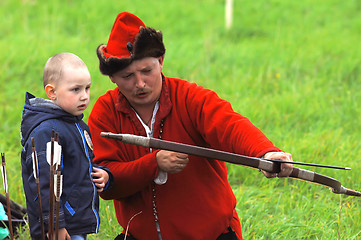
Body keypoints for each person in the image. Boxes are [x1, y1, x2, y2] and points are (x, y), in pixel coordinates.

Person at [89, 12, 293, 240]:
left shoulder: (189, 97)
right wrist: (153, 163)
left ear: (161, 62)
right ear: (112, 78)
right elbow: (106, 182)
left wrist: (265, 152)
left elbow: (229, 124)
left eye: (147, 71)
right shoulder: (105, 111)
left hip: (211, 234)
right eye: (127, 76)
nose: (140, 83)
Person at [20, 52, 112, 239]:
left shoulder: (77, 125)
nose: (84, 96)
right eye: (76, 90)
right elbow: (44, 183)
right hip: (60, 227)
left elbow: (77, 166)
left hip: (74, 224)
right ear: (52, 92)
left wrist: (101, 173)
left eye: (87, 88)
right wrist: (55, 225)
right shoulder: (47, 132)